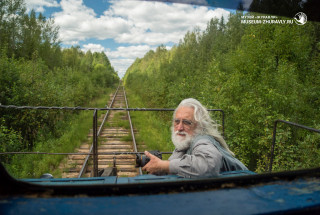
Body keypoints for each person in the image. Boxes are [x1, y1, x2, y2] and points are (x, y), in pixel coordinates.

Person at [142, 98, 248, 178]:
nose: (179, 128)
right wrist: (159, 167)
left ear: (199, 126)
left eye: (186, 122)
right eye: (177, 121)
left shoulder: (203, 141)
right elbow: (177, 166)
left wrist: (164, 166)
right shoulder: (185, 143)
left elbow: (208, 166)